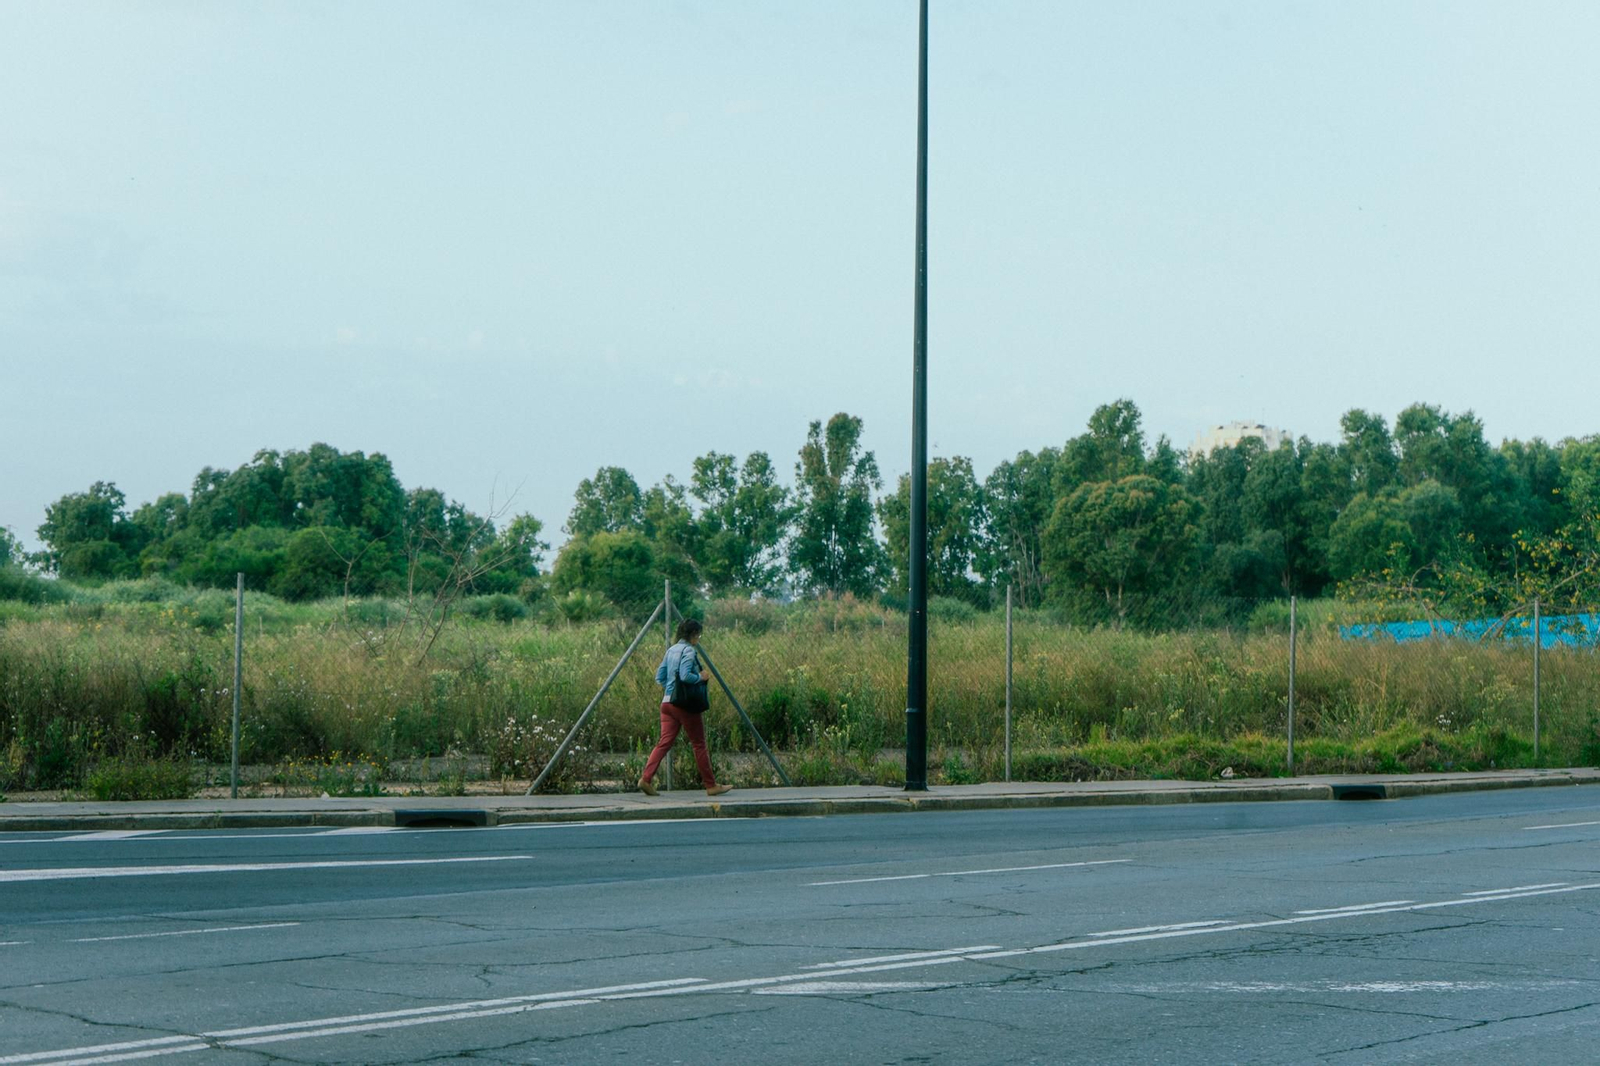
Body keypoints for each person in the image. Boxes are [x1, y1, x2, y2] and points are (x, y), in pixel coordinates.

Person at [640, 617, 732, 797]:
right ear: (693, 634)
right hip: (684, 706)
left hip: (666, 703)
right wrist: (700, 678)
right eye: (698, 635)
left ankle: (646, 779)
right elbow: (685, 676)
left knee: (663, 743)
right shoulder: (689, 651)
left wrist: (671, 689)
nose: (699, 638)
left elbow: (659, 677)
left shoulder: (671, 650)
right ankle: (711, 786)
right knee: (699, 744)